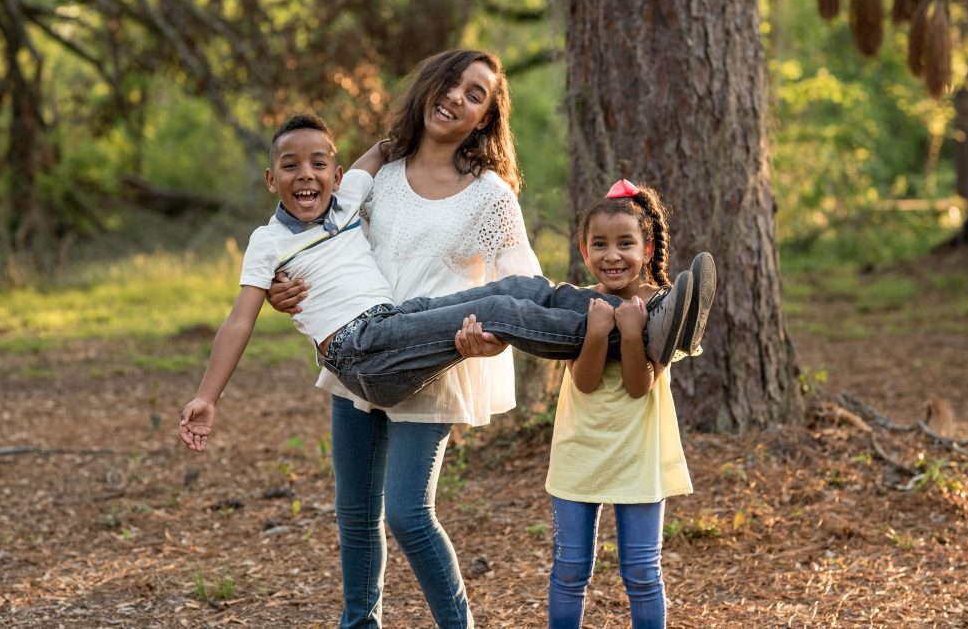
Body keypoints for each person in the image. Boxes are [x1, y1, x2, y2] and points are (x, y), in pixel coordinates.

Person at [177, 115, 706, 443]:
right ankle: (625, 338)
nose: (305, 175)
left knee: (513, 291)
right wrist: (208, 396)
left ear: (337, 177)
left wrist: (427, 122)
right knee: (497, 315)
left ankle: (637, 314)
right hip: (359, 351)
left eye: (319, 163)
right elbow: (238, 322)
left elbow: (382, 149)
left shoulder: (343, 205)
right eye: (290, 167)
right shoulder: (268, 242)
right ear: (272, 179)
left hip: (388, 324)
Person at [260, 48, 542, 629]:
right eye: (452, 84)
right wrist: (278, 287)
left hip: (434, 360)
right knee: (356, 514)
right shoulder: (381, 178)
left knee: (409, 514)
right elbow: (322, 241)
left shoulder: (489, 194)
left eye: (476, 95)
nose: (457, 99)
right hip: (360, 354)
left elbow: (523, 281)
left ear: (486, 119)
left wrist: (498, 337)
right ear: (429, 86)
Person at [545, 180, 710, 629]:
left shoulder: (663, 307)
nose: (611, 255)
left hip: (639, 454)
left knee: (641, 571)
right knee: (570, 570)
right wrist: (597, 332)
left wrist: (632, 332)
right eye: (599, 244)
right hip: (579, 451)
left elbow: (640, 387)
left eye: (624, 243)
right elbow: (584, 380)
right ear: (584, 250)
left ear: (647, 247)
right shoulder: (580, 303)